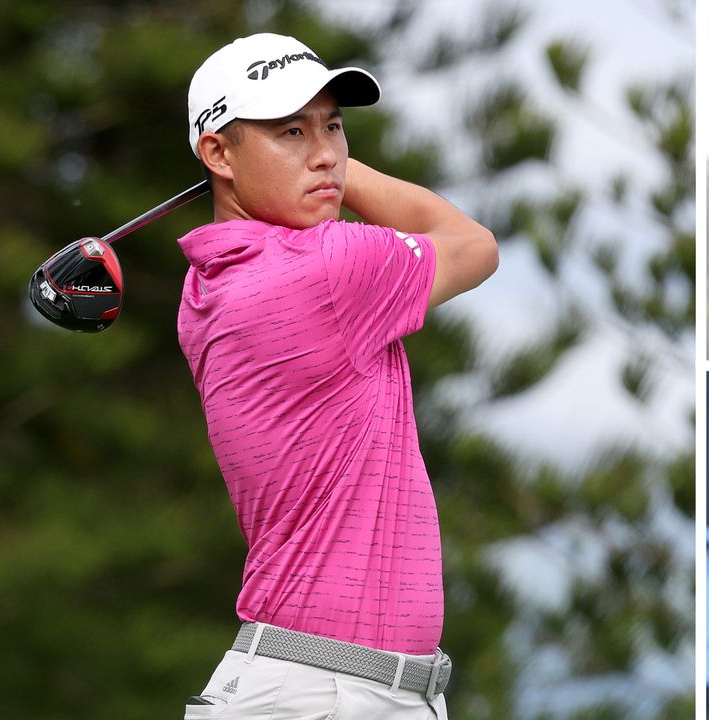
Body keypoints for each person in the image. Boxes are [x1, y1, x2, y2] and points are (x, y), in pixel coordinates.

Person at [175, 33, 498, 720]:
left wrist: (302, 168)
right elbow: (474, 245)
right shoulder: (326, 271)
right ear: (217, 153)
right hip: (322, 694)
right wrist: (340, 177)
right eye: (290, 131)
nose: (324, 152)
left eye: (334, 126)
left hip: (327, 686)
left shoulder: (209, 283)